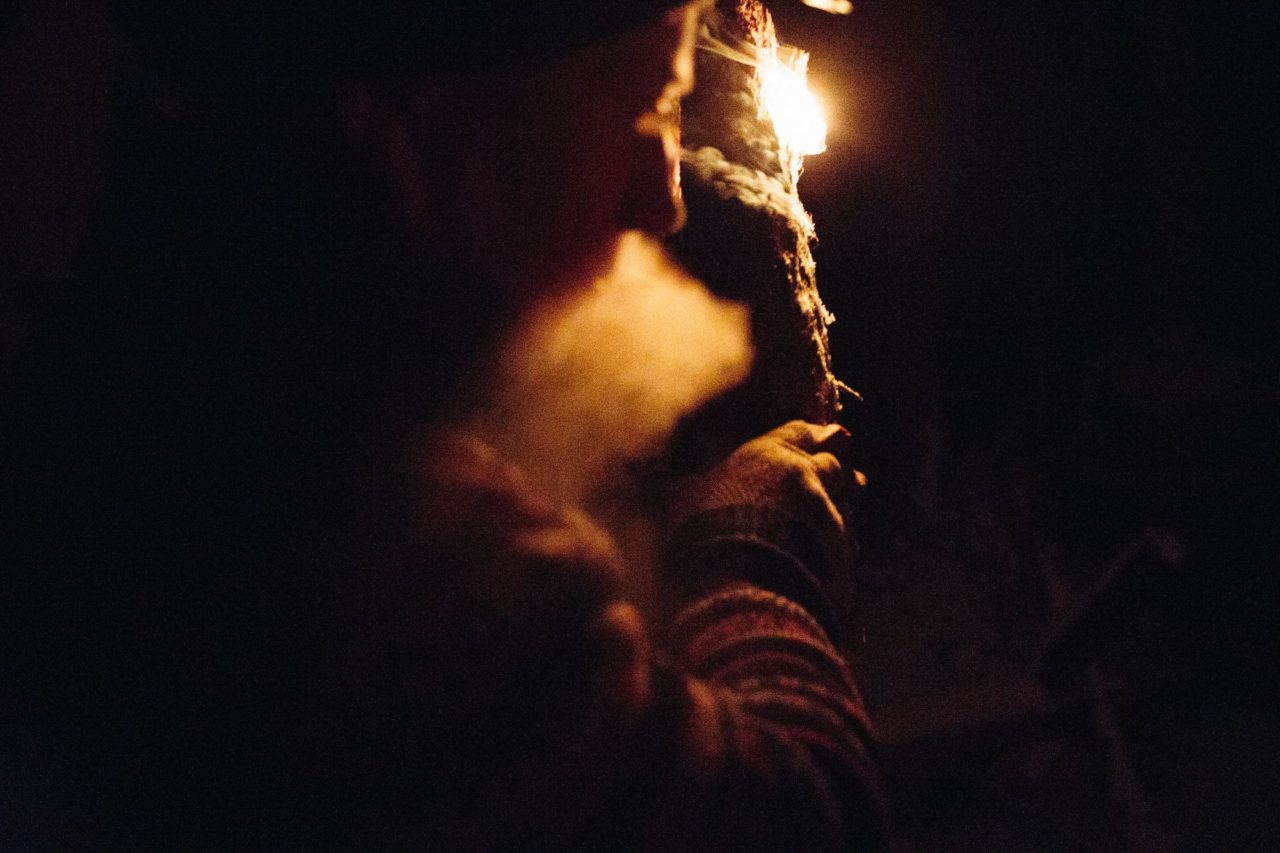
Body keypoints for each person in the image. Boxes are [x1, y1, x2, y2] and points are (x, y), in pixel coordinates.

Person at [1, 1, 889, 848]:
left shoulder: (147, 395)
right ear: (419, 139)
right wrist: (747, 553)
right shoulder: (384, 553)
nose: (666, 202)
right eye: (651, 110)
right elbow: (807, 822)